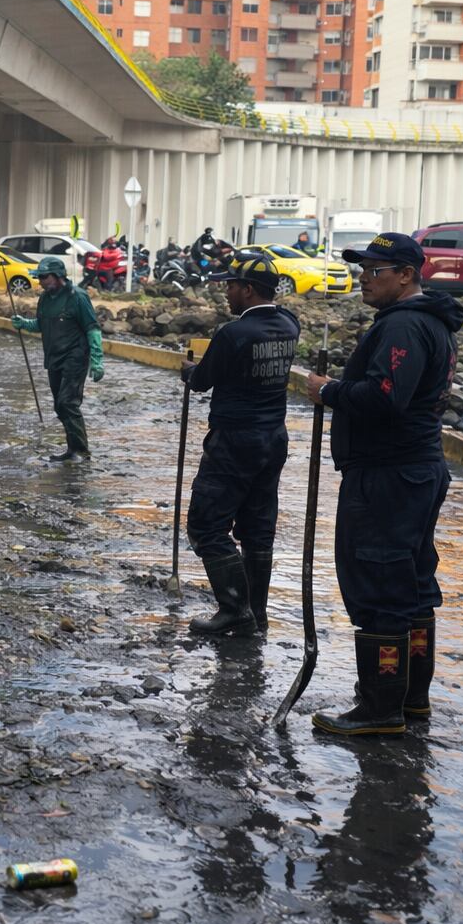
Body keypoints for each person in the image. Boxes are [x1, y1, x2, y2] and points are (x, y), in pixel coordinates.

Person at [303, 231, 463, 736]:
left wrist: (329, 390)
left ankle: (380, 708)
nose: (364, 280)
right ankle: (410, 698)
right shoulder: (423, 323)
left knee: (379, 582)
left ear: (407, 275)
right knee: (411, 583)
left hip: (390, 475)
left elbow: (385, 397)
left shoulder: (405, 327)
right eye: (362, 270)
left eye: (375, 271)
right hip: (413, 469)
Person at [181, 249, 300, 636]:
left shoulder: (233, 333)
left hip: (234, 441)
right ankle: (257, 614)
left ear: (248, 290)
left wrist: (189, 370)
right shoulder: (289, 325)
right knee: (257, 527)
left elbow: (202, 381)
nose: (226, 293)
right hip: (273, 438)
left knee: (206, 525)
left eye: (230, 286)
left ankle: (234, 609)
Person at [12, 257, 105, 462]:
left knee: (67, 403)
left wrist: (97, 359)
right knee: (59, 405)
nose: (41, 281)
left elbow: (92, 329)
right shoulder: (45, 298)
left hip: (75, 357)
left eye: (44, 277)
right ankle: (72, 448)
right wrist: (25, 324)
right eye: (40, 277)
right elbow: (42, 324)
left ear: (58, 276)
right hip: (54, 357)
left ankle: (81, 451)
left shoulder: (78, 297)